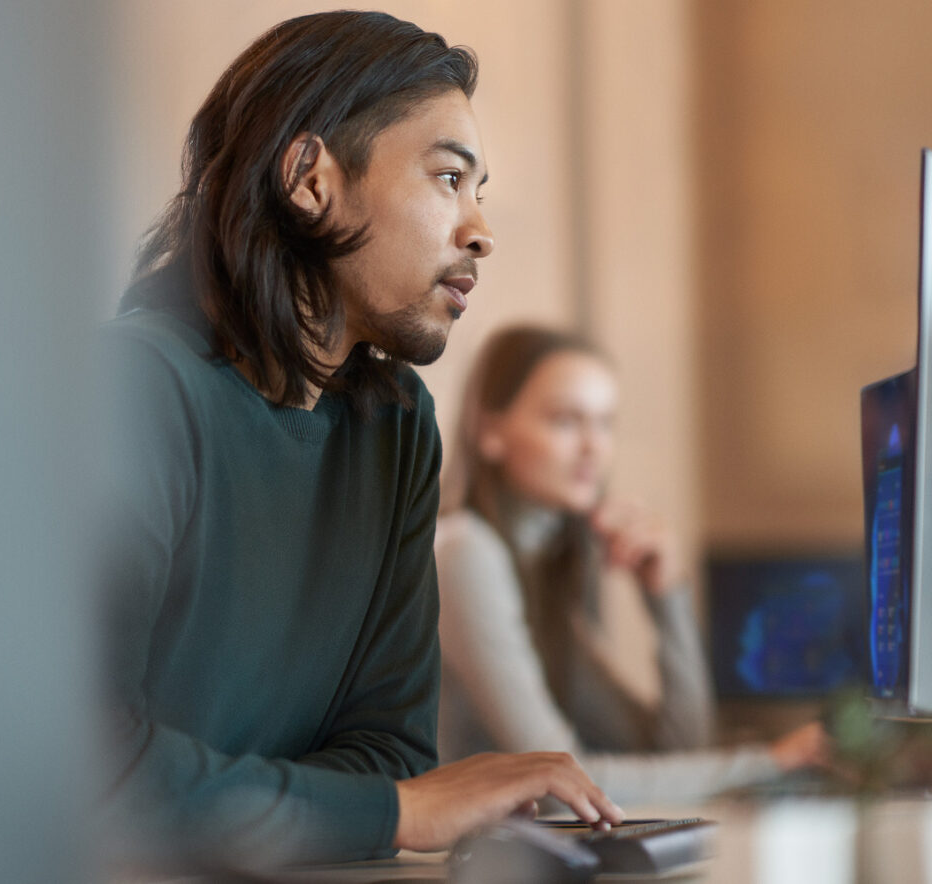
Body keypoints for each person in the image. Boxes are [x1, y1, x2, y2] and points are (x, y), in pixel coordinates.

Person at [99, 12, 624, 874]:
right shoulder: (134, 391)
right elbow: (80, 762)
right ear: (311, 179)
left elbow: (389, 751)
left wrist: (353, 804)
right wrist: (387, 811)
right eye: (449, 178)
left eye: (480, 189)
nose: (480, 230)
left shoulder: (396, 428)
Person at [433, 325, 828, 808]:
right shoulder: (466, 552)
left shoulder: (538, 575)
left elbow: (678, 750)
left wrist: (668, 599)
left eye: (604, 422)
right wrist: (769, 763)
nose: (594, 447)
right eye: (565, 420)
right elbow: (560, 785)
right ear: (489, 431)